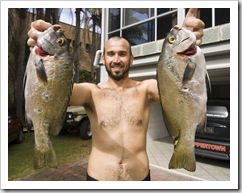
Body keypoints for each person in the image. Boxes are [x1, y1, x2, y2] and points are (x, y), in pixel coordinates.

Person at [27, 8, 205, 181]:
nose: (116, 60)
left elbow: (178, 87)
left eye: (122, 54)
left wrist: (182, 51)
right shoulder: (91, 93)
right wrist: (44, 61)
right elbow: (53, 89)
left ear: (131, 59)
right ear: (103, 59)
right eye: (110, 54)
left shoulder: (146, 90)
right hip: (98, 180)